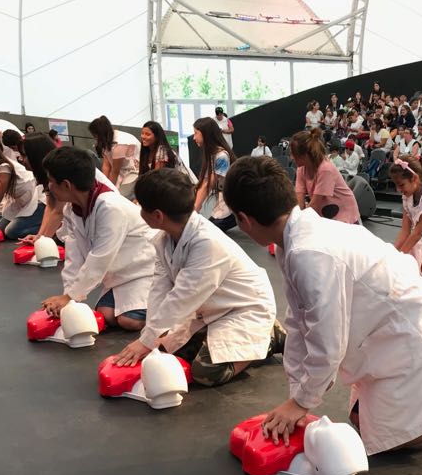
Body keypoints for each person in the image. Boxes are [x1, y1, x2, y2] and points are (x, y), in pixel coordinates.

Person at [222, 155, 422, 454]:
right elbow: (299, 323)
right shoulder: (298, 239)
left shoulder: (308, 253)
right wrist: (296, 395)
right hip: (398, 330)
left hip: (416, 331)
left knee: (389, 440)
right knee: (362, 422)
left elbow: (327, 343)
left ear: (244, 220)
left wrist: (301, 402)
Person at [111, 168, 284, 387]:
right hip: (211, 309)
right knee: (166, 350)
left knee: (206, 372)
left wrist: (146, 341)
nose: (138, 209)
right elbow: (159, 289)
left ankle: (271, 337)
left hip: (245, 308)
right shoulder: (164, 239)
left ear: (157, 215)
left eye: (141, 206)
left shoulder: (208, 244)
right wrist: (150, 337)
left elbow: (182, 297)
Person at [39, 147, 155, 331]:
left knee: (129, 321)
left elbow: (101, 257)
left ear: (67, 185)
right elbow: (74, 257)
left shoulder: (110, 207)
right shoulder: (72, 209)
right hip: (121, 272)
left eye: (51, 181)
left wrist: (70, 297)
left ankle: (168, 309)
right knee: (106, 315)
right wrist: (69, 298)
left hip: (145, 270)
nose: (49, 187)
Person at [290, 128, 360, 225]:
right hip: (326, 215)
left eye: (293, 154)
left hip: (345, 217)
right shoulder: (301, 169)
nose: (291, 157)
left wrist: (296, 223)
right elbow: (299, 202)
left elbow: (314, 206)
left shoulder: (325, 169)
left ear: (305, 155)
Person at [192, 116, 237, 233]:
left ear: (206, 134)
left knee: (207, 231)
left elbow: (208, 184)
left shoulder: (221, 156)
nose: (194, 137)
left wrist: (194, 209)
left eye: (196, 133)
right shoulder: (212, 154)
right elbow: (205, 182)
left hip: (232, 206)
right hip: (223, 204)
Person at [88, 115, 140, 198]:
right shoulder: (106, 139)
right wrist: (103, 184)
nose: (95, 138)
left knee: (120, 196)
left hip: (133, 171)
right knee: (104, 192)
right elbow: (106, 166)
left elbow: (115, 171)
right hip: (121, 170)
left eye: (95, 135)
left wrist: (109, 189)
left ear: (99, 134)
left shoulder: (120, 143)